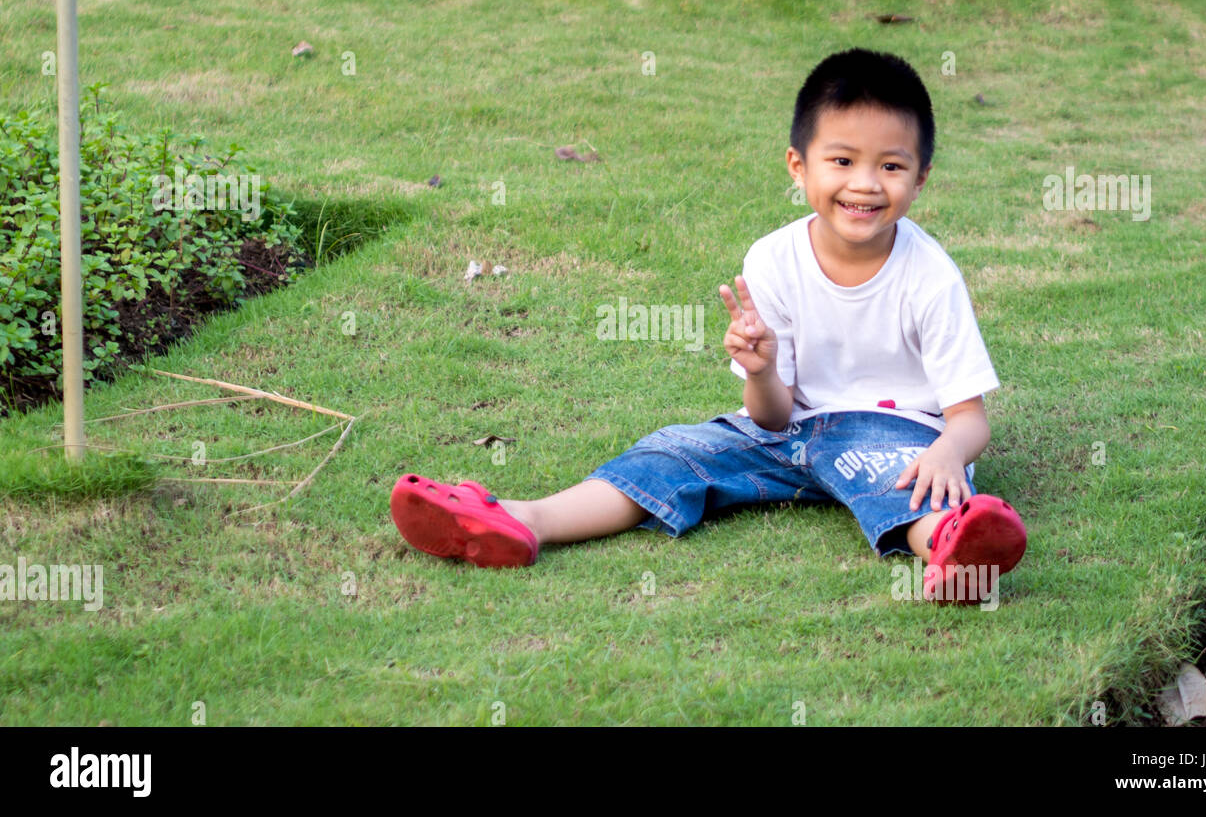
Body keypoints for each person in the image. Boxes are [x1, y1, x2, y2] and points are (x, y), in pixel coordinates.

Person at [390, 48, 1026, 604]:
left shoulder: (929, 274)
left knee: (902, 482)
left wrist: (946, 451)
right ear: (798, 166)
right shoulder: (771, 259)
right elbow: (773, 419)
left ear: (920, 179)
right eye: (841, 160)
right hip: (790, 433)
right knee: (673, 450)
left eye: (890, 166)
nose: (864, 184)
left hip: (895, 436)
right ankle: (519, 520)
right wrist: (762, 371)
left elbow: (969, 419)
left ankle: (952, 548)